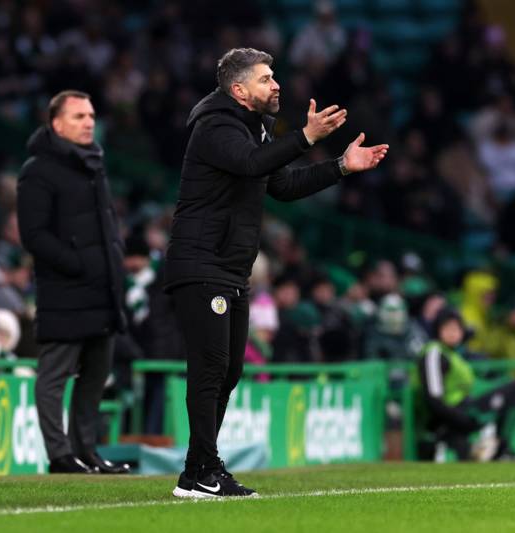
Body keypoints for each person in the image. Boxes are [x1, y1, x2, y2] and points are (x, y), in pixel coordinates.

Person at [165, 48, 388, 498]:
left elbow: (281, 185)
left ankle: (197, 471)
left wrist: (342, 166)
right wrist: (306, 136)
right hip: (201, 263)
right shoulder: (215, 126)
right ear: (239, 89)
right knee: (210, 368)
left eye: (274, 76)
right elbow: (251, 165)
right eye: (266, 79)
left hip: (229, 267)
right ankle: (204, 469)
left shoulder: (253, 130)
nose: (277, 85)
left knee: (227, 371)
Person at [17, 90, 129, 474]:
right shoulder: (37, 170)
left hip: (102, 291)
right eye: (79, 116)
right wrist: (78, 264)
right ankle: (60, 455)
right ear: (56, 123)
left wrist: (112, 267)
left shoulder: (93, 164)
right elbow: (33, 235)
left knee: (96, 377)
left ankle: (88, 452)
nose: (88, 122)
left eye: (91, 115)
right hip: (65, 291)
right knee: (54, 375)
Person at [415, 308, 515, 461]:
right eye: (447, 328)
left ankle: (500, 447)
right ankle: (493, 449)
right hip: (448, 418)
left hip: (465, 411)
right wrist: (462, 420)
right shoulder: (434, 353)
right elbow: (434, 400)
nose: (453, 333)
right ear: (438, 330)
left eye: (456, 328)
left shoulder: (455, 353)